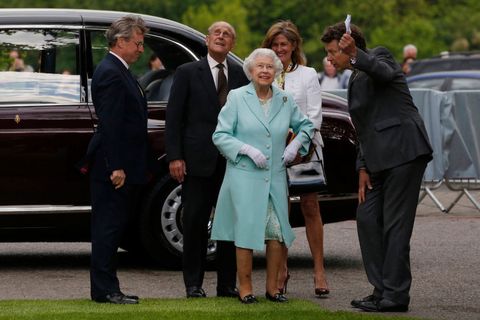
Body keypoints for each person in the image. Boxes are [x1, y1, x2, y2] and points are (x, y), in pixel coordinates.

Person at [321, 22, 432, 312]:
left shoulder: (379, 57)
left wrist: (356, 54)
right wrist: (362, 167)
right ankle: (381, 288)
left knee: (395, 226)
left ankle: (395, 297)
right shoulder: (354, 79)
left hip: (404, 152)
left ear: (350, 46)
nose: (330, 59)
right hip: (376, 162)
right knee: (367, 218)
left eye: (333, 52)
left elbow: (383, 72)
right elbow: (363, 129)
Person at [211, 48, 315, 304]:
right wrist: (244, 149)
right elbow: (220, 135)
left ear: (276, 71)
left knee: (276, 232)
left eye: (270, 67)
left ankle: (273, 289)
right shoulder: (236, 97)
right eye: (260, 66)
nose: (265, 70)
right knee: (245, 233)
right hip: (244, 176)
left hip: (275, 177)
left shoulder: (284, 99)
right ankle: (245, 289)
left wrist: (295, 145)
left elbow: (307, 126)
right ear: (251, 70)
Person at [165, 21, 249, 299]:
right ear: (207, 39)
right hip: (196, 160)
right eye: (217, 33)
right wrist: (175, 156)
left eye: (227, 34)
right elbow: (174, 118)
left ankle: (226, 284)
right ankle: (193, 284)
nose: (222, 37)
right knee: (195, 222)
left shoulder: (240, 74)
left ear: (233, 44)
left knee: (228, 224)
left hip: (231, 162)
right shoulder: (188, 72)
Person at [261, 20, 329, 297]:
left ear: (293, 46)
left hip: (304, 149)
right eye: (275, 45)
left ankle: (319, 270)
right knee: (280, 211)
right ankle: (281, 269)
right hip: (272, 151)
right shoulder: (262, 74)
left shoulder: (308, 74)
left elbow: (314, 115)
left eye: (284, 45)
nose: (279, 50)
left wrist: (296, 140)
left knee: (310, 207)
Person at [87, 15, 149, 304]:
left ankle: (109, 287)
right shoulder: (112, 72)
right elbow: (110, 125)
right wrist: (117, 167)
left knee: (113, 226)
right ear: (121, 41)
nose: (141, 49)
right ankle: (105, 290)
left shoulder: (119, 69)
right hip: (113, 166)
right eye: (137, 43)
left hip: (122, 163)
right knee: (107, 228)